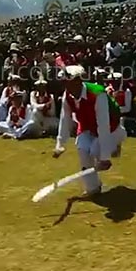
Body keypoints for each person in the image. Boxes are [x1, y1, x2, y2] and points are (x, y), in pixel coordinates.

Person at [53, 65, 127, 197]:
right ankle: (93, 188)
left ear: (79, 81)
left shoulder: (98, 94)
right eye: (64, 83)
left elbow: (103, 126)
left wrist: (104, 157)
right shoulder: (67, 96)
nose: (67, 87)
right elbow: (65, 120)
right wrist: (60, 145)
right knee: (82, 150)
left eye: (69, 83)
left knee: (94, 150)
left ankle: (115, 147)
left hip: (113, 130)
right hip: (87, 129)